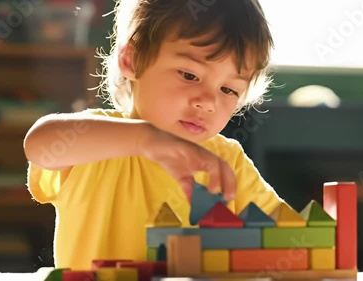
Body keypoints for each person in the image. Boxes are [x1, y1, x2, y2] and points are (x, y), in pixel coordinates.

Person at [23, 0, 284, 270]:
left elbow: (292, 241)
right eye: (189, 75)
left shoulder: (228, 161)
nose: (208, 102)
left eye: (228, 90)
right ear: (131, 60)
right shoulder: (97, 140)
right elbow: (39, 144)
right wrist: (145, 139)